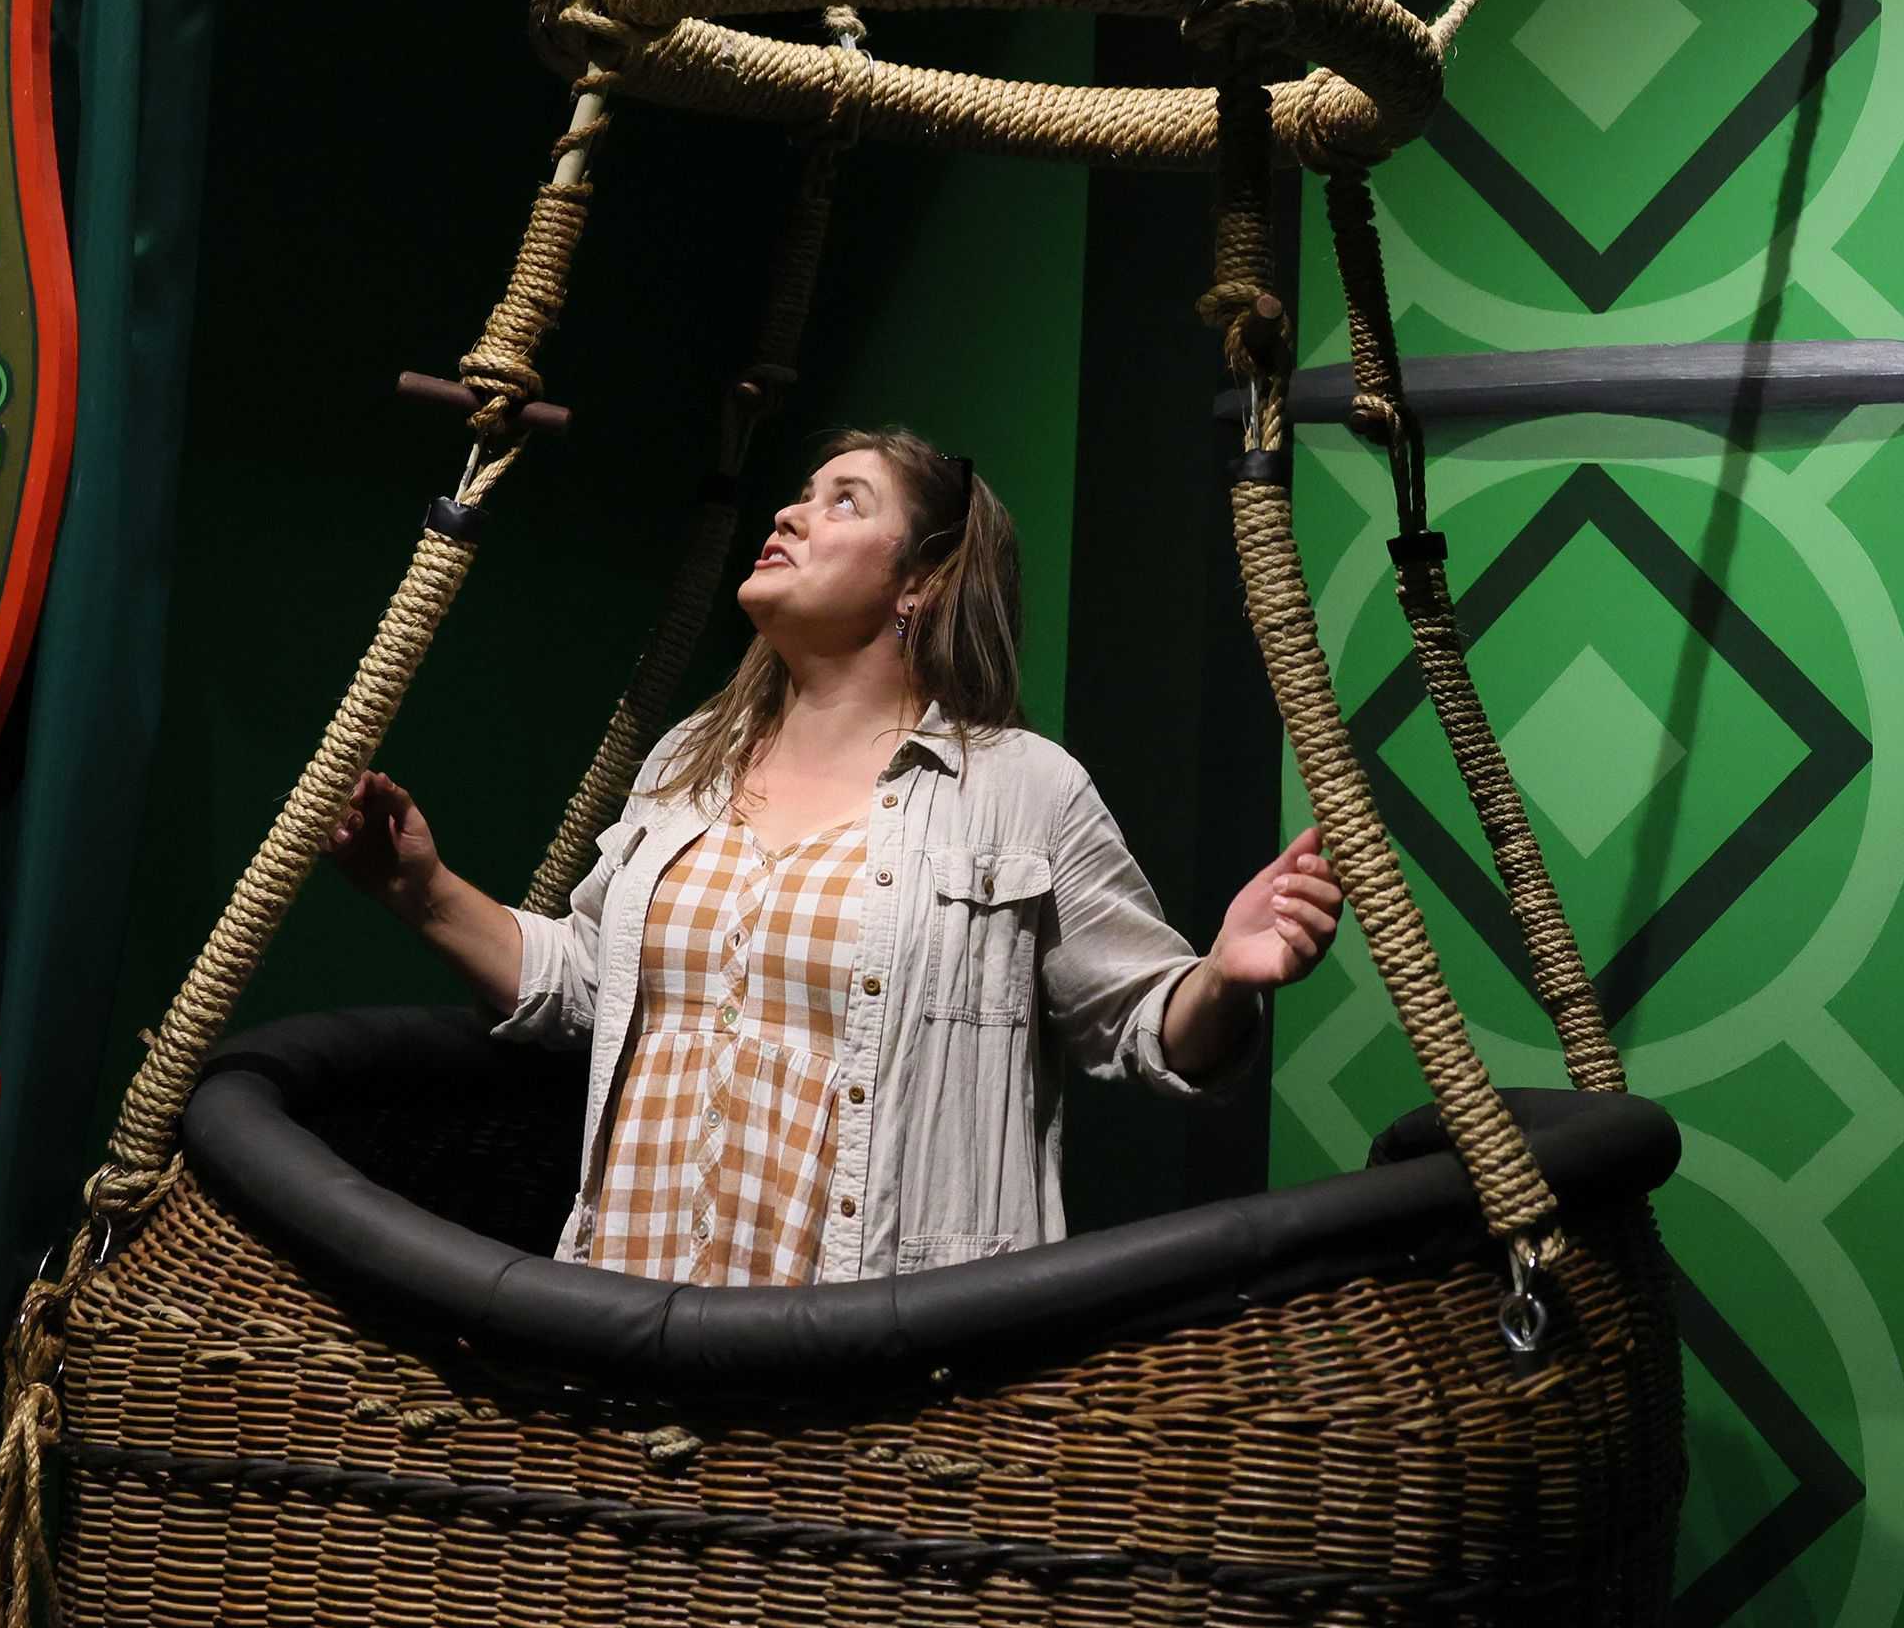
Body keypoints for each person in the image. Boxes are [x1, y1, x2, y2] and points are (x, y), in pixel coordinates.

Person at [321, 425, 1341, 1286]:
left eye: (843, 502)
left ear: (924, 579)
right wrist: (424, 892)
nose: (790, 516)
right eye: (799, 496)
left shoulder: (1021, 789)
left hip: (868, 1337)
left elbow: (1144, 1022)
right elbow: (589, 983)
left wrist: (1222, 977)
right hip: (628, 1305)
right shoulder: (689, 759)